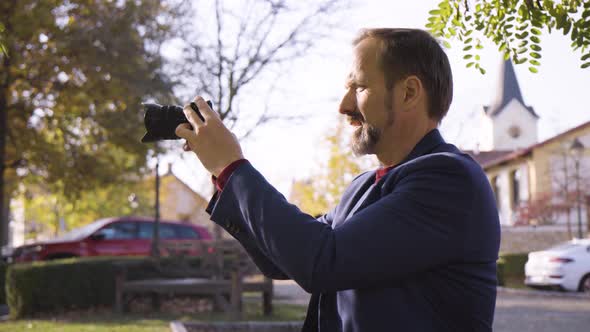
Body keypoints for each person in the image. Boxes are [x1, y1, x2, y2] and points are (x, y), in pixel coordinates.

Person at [175, 28, 500, 332]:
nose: (344, 106)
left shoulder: (450, 181)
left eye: (359, 87)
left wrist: (234, 168)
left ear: (409, 92)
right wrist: (223, 173)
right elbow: (284, 260)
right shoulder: (364, 185)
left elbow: (321, 261)